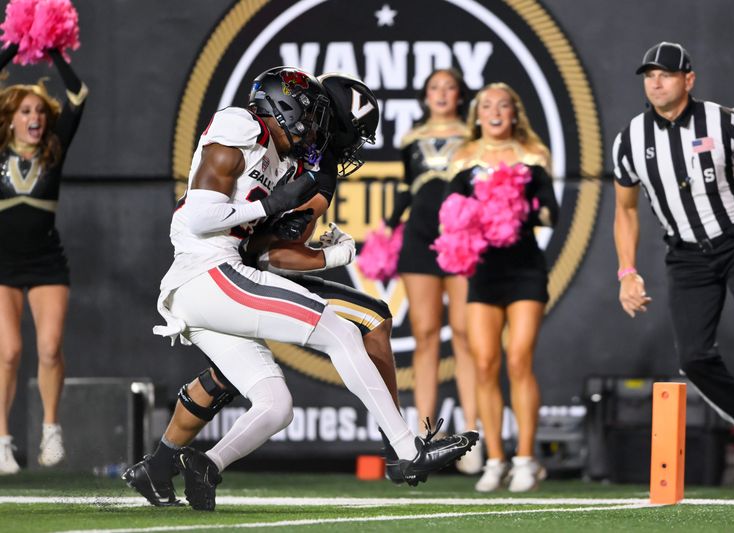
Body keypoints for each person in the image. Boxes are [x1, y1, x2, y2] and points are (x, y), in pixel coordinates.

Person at [148, 67, 477, 510]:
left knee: (277, 406)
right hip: (207, 272)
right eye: (314, 118)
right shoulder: (243, 124)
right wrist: (276, 207)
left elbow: (268, 244)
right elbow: (194, 218)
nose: (316, 130)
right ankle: (405, 450)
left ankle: (203, 464)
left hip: (218, 282)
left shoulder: (286, 162)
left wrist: (304, 230)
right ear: (287, 107)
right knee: (340, 330)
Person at [612, 41, 734, 495]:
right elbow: (626, 210)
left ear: (688, 80)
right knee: (693, 358)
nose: (656, 82)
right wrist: (627, 271)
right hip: (686, 255)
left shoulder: (724, 122)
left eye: (667, 74)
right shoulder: (631, 139)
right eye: (649, 75)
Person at [445, 83, 558, 492]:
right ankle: (495, 459)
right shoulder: (463, 158)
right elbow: (449, 215)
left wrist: (521, 208)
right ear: (477, 114)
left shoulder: (533, 156)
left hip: (525, 269)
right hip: (483, 272)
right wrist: (470, 216)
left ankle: (526, 458)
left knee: (518, 360)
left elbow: (552, 212)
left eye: (503, 106)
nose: (495, 112)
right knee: (485, 363)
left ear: (515, 114)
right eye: (487, 106)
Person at [384, 69, 481, 474]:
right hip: (419, 241)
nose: (441, 93)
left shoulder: (475, 135)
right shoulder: (410, 138)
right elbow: (409, 187)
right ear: (426, 96)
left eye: (449, 87)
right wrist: (389, 227)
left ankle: (472, 435)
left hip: (461, 239)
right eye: (434, 88)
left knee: (463, 333)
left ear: (460, 94)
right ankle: (425, 436)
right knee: (424, 336)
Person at [0, 44, 88, 474]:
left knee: (50, 349)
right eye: (25, 111)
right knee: (10, 352)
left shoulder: (55, 148)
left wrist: (52, 50)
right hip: (1, 266)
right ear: (10, 118)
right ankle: (2, 439)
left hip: (46, 263)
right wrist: (12, 48)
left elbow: (78, 94)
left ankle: (51, 429)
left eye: (38, 110)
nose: (34, 118)